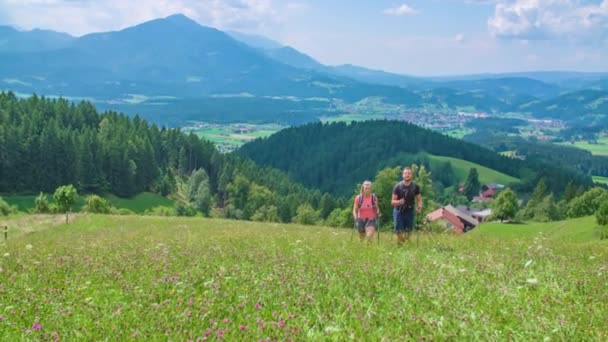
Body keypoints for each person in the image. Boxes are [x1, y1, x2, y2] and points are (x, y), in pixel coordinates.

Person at [391, 167, 422, 245]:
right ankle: (401, 244)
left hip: (410, 211)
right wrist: (399, 201)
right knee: (399, 231)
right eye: (405, 173)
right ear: (402, 175)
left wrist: (419, 207)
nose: (407, 175)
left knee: (409, 230)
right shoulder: (397, 186)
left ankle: (406, 244)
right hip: (399, 211)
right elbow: (392, 202)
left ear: (411, 175)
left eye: (409, 173)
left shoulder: (415, 187)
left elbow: (419, 200)